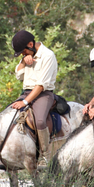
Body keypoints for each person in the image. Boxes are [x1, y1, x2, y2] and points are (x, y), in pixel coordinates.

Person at [10, 30, 58, 165]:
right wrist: (24, 62)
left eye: (23, 52)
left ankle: (45, 156)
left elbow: (41, 85)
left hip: (43, 94)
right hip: (26, 91)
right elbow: (18, 75)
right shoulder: (27, 55)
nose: (23, 54)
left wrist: (25, 102)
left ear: (30, 44)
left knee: (40, 121)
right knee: (10, 115)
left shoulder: (48, 56)